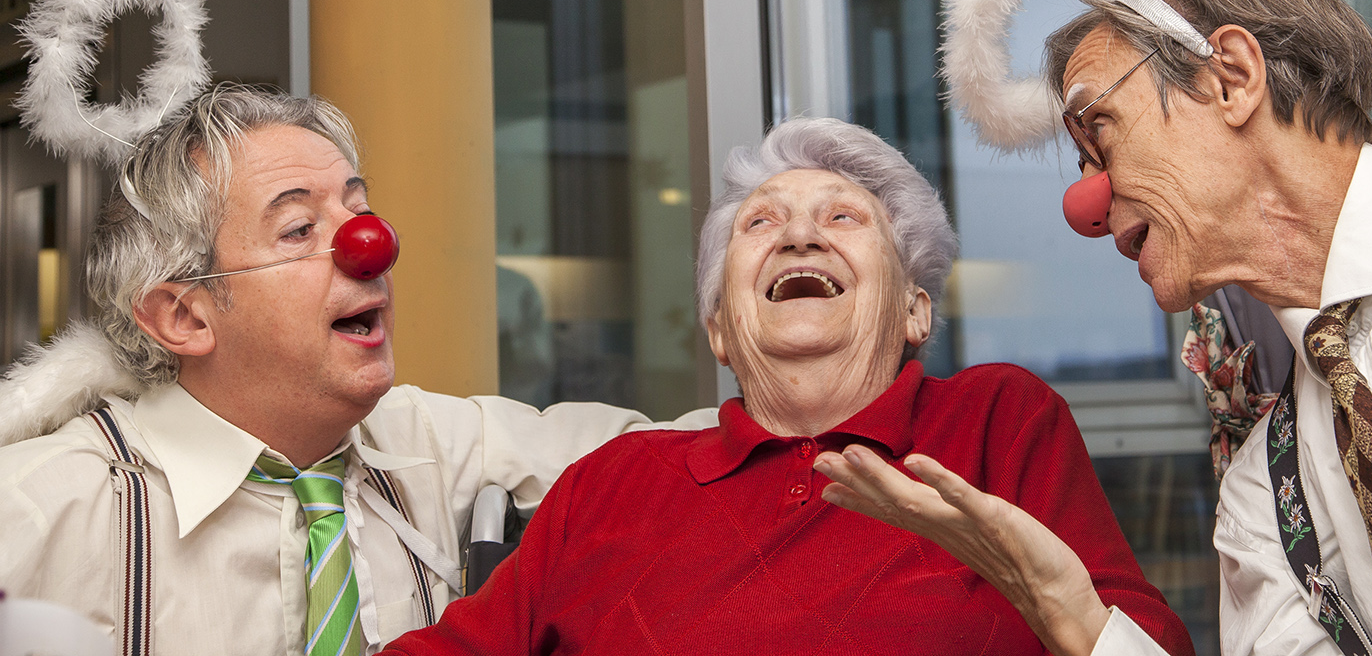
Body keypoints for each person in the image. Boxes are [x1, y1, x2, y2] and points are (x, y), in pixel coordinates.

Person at [827, 0, 1372, 655]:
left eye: (1102, 131)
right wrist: (1077, 616)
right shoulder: (1266, 501)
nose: (1086, 204)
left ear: (1229, 76)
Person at [382, 117, 1196, 656]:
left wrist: (1066, 611)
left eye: (843, 217)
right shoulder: (616, 480)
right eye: (760, 222)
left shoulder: (996, 424)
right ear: (719, 329)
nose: (800, 231)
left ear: (916, 308)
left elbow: (1145, 640)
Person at [0, 84, 716, 655]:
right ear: (185, 316)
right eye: (300, 228)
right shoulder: (43, 506)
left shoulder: (429, 444)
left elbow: (691, 460)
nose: (369, 245)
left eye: (358, 208)